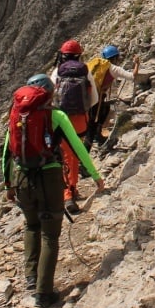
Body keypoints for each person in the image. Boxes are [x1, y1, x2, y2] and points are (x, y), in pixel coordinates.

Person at [1, 74, 105, 308]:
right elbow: (77, 146)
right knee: (50, 233)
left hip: (21, 177)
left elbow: (7, 151)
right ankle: (44, 293)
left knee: (31, 225)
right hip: (48, 178)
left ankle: (30, 277)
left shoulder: (17, 114)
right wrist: (96, 176)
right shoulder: (56, 116)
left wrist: (8, 184)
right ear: (49, 93)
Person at [49, 39, 99, 213]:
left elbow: (50, 99)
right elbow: (95, 98)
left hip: (61, 121)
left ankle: (67, 193)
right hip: (80, 121)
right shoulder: (84, 71)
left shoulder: (56, 73)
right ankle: (72, 189)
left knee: (63, 156)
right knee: (74, 155)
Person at [85, 44, 144, 145]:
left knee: (100, 113)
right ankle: (94, 139)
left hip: (87, 94)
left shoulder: (97, 64)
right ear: (115, 57)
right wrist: (137, 64)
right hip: (98, 97)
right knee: (97, 118)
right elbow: (132, 76)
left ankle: (93, 136)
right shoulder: (114, 69)